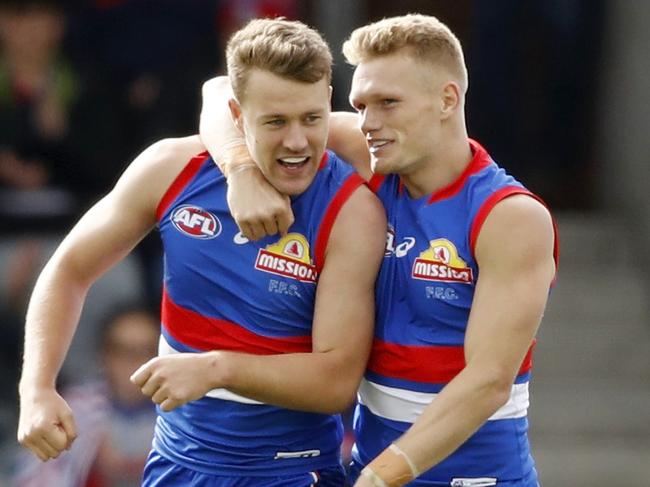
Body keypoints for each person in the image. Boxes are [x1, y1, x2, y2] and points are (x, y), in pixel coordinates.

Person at [17, 17, 386, 487]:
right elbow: (69, 269)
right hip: (177, 466)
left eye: (312, 119)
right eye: (275, 121)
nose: (297, 142)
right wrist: (37, 388)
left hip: (291, 470)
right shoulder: (172, 168)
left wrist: (214, 369)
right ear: (236, 114)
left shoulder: (352, 210)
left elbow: (335, 381)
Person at [199, 13, 558, 487]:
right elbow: (219, 92)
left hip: (475, 478)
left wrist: (381, 476)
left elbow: (488, 383)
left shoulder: (509, 215)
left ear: (447, 99)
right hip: (373, 467)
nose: (368, 122)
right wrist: (241, 169)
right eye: (360, 105)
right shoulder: (372, 159)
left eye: (387, 103)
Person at [12, 303, 158, 487]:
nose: (133, 362)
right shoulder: (71, 408)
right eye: (121, 350)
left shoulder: (181, 416)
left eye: (144, 351)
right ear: (104, 354)